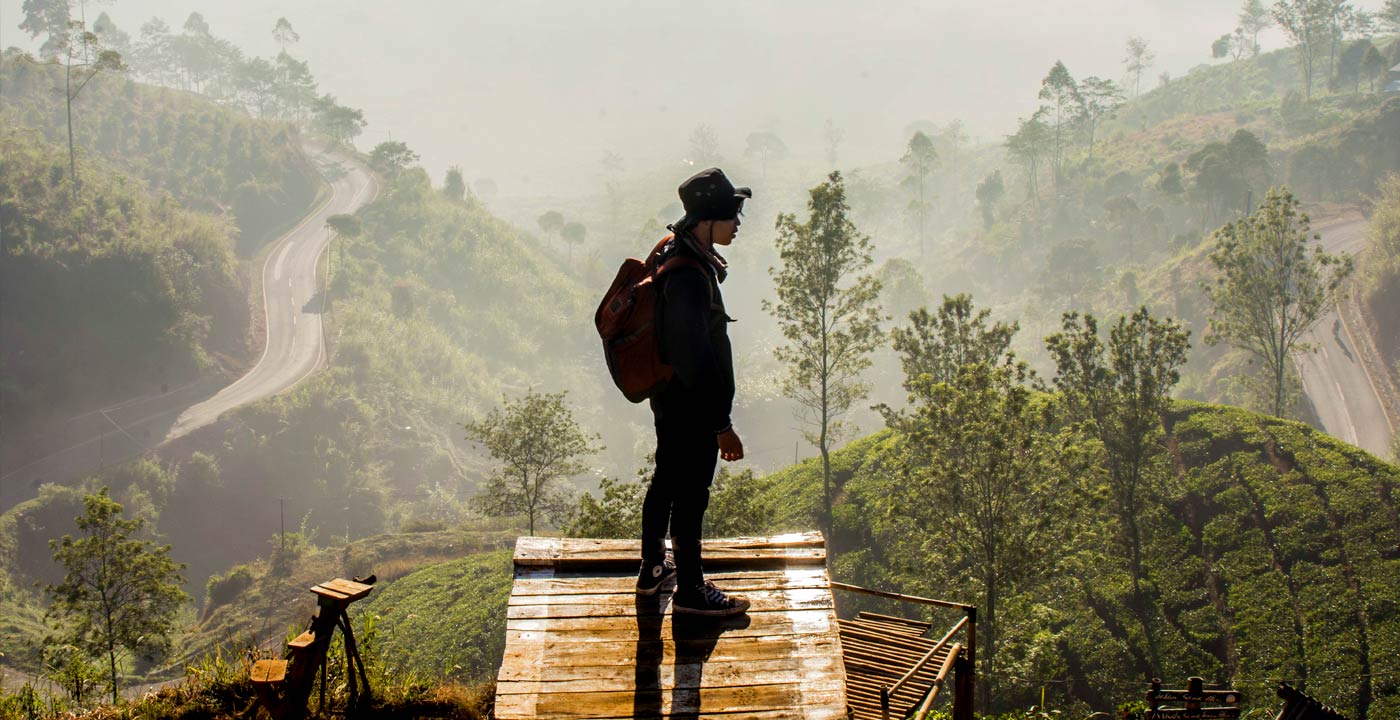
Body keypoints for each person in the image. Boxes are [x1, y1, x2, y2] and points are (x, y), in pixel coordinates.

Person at [635, 167, 752, 616]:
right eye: (731, 214)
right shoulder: (686, 274)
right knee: (690, 493)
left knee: (667, 476)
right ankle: (691, 592)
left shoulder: (676, 249)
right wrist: (720, 423)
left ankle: (653, 570)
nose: (737, 223)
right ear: (707, 219)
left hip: (671, 397)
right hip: (692, 404)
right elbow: (694, 357)